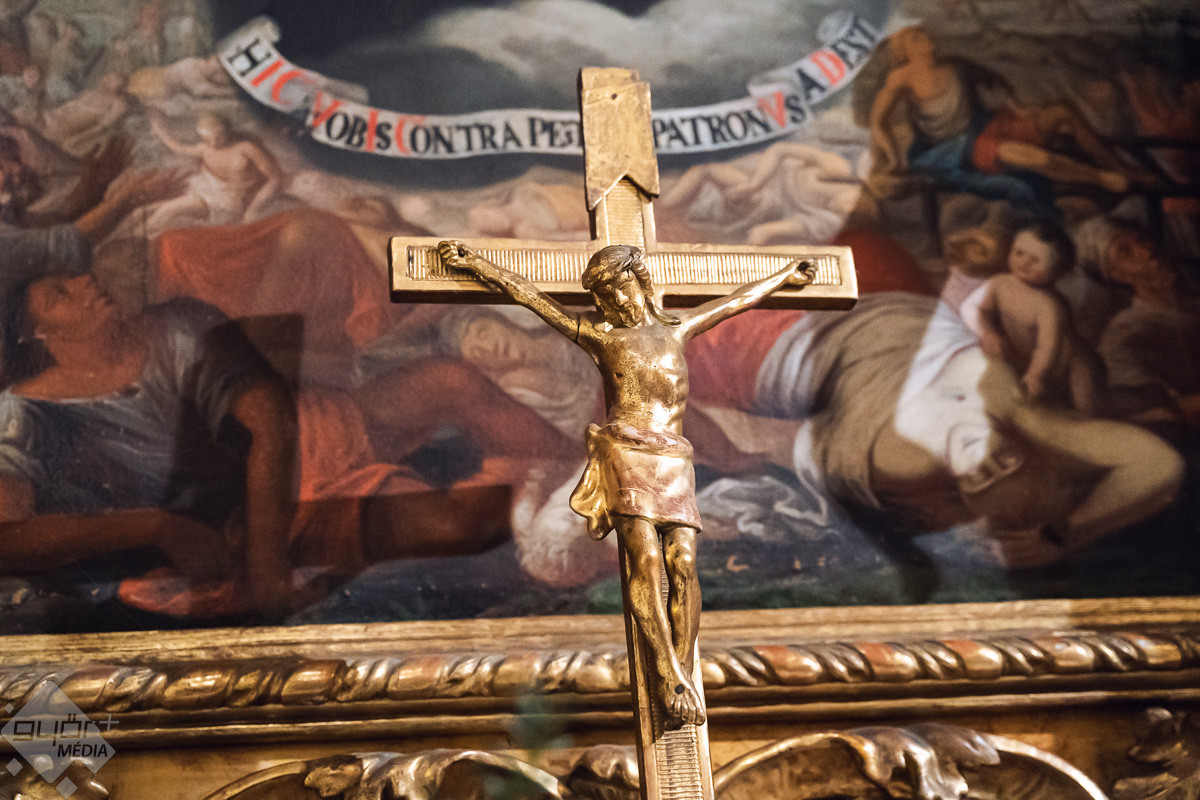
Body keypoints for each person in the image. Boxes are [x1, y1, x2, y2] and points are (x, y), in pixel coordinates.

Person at [438, 239, 817, 728]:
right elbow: (531, 297)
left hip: (673, 457)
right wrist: (478, 266)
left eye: (619, 287)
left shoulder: (677, 329)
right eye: (604, 295)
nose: (615, 300)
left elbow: (737, 300)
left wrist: (785, 277)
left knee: (684, 563)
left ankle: (683, 663)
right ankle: (667, 670)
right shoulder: (602, 337)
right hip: (627, 453)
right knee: (647, 560)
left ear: (638, 282)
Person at [0, 272, 516, 618]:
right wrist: (157, 527)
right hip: (262, 520)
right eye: (61, 293)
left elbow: (270, 421)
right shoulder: (25, 414)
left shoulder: (177, 324)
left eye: (75, 275)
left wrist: (267, 574)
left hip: (301, 451)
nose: (85, 281)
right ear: (38, 335)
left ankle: (559, 494)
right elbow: (8, 536)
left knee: (451, 386)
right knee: (462, 527)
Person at [683, 229, 1184, 569]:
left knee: (663, 302)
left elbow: (768, 451)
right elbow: (1157, 462)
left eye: (977, 482)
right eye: (1008, 460)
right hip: (878, 285)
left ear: (957, 496)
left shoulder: (890, 458)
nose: (986, 463)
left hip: (763, 343)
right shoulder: (1005, 400)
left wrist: (732, 455)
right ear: (1025, 444)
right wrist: (1064, 534)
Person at [975, 219, 1103, 412]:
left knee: (1089, 411)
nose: (1024, 262)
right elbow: (983, 311)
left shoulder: (1049, 304)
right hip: (1029, 361)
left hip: (1070, 368)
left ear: (1057, 271)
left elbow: (1048, 347)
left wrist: (1036, 374)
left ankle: (1141, 404)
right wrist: (990, 333)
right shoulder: (998, 283)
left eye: (1036, 260)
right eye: (1019, 253)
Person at [148, 110, 283, 231]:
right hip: (206, 191)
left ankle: (143, 234)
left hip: (228, 204)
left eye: (218, 137)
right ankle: (142, 232)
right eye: (206, 139)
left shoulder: (246, 148)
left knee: (168, 214)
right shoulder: (204, 148)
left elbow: (274, 178)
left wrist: (255, 208)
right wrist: (160, 131)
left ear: (227, 131)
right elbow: (179, 148)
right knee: (161, 212)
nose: (212, 143)